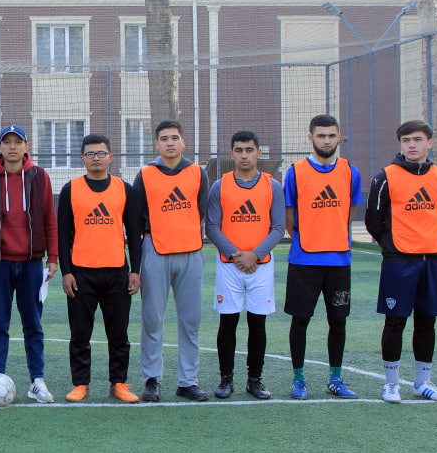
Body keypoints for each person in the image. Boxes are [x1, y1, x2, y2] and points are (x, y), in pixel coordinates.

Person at [365, 120, 437, 403]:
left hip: (432, 261)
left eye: (417, 139)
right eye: (406, 140)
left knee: (427, 323)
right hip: (398, 262)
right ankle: (391, 383)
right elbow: (373, 221)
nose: (412, 145)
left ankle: (423, 382)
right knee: (395, 322)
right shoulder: (385, 178)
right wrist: (394, 246)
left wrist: (428, 242)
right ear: (400, 144)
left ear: (430, 143)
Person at [0, 124, 59, 402]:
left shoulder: (40, 177)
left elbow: (49, 219)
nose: (12, 147)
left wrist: (53, 258)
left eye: (17, 142)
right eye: (6, 142)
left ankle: (37, 381)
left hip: (33, 264)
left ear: (26, 146)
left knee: (33, 324)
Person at [57, 134, 142, 403]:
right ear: (82, 159)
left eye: (101, 153)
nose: (96, 158)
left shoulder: (124, 189)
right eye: (90, 154)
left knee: (118, 333)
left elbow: (134, 232)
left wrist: (135, 270)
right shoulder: (70, 189)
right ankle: (80, 383)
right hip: (82, 273)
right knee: (80, 333)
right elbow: (62, 236)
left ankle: (119, 383)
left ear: (110, 157)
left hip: (116, 272)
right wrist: (66, 271)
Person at [284, 114, 364, 399]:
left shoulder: (350, 171)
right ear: (310, 138)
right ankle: (299, 379)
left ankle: (335, 378)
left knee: (338, 321)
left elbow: (349, 215)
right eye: (321, 136)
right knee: (300, 320)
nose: (326, 141)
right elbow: (290, 217)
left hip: (339, 261)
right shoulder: (295, 171)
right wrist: (310, 238)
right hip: (304, 260)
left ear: (339, 137)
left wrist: (332, 237)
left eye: (332, 135)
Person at [204, 131, 284, 401]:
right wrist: (236, 254)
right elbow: (212, 226)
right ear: (231, 154)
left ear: (259, 152)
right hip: (230, 265)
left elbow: (278, 227)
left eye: (249, 150)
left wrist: (255, 255)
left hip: (261, 265)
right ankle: (226, 378)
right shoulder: (220, 185)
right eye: (239, 150)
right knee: (228, 322)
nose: (244, 155)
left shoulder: (272, 186)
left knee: (257, 323)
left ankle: (254, 379)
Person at [134, 119, 210, 402]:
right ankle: (152, 380)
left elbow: (200, 210)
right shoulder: (145, 174)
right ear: (156, 144)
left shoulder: (197, 173)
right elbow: (138, 215)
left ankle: (188, 381)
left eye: (174, 138)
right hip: (156, 250)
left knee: (190, 320)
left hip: (191, 252)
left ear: (183, 142)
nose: (169, 143)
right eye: (164, 138)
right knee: (153, 320)